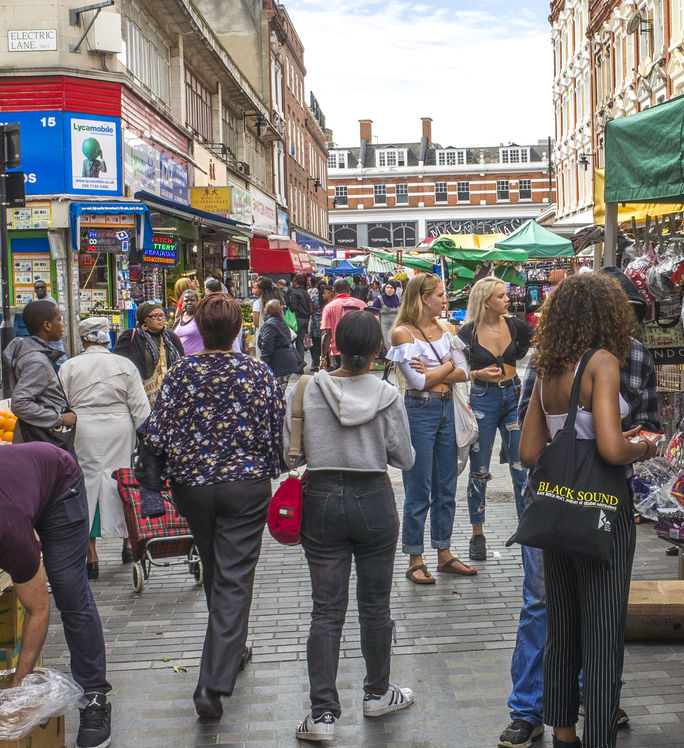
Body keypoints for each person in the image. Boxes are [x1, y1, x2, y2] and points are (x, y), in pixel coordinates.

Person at [501, 271, 660, 748]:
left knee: (562, 626)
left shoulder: (548, 366)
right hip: (601, 513)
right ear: (608, 315)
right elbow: (612, 449)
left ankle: (563, 734)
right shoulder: (603, 363)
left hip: (556, 514)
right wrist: (645, 447)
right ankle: (598, 740)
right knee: (604, 631)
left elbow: (529, 452)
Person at [143, 294, 285, 720]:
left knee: (215, 567)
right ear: (238, 329)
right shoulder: (257, 372)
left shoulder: (182, 373)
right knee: (234, 576)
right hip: (245, 485)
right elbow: (275, 428)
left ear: (199, 330)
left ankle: (230, 649)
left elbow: (158, 431)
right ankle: (212, 681)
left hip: (194, 487)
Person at [285, 311, 416, 740]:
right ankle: (377, 694)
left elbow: (293, 453)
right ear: (379, 350)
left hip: (321, 497)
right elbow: (404, 458)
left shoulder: (306, 388)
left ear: (333, 344)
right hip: (374, 499)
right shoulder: (387, 394)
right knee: (375, 605)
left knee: (326, 609)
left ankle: (322, 714)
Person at [0, 442, 113, 748]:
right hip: (20, 482)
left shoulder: (8, 532)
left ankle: (94, 697)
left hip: (60, 483)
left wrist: (16, 692)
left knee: (68, 589)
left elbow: (38, 609)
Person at [387, 273, 476, 585]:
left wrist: (441, 371)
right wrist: (449, 367)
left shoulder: (446, 329)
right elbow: (419, 381)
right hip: (420, 410)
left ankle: (443, 553)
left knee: (446, 486)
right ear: (424, 298)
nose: (444, 299)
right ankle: (415, 558)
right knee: (419, 487)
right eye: (439, 294)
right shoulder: (402, 334)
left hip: (445, 407)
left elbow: (466, 372)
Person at [58, 317, 150, 579]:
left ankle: (91, 556)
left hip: (83, 428)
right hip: (119, 428)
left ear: (84, 339)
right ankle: (129, 544)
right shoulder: (124, 364)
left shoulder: (69, 366)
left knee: (85, 485)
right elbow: (141, 409)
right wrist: (147, 439)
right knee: (120, 480)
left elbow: (61, 403)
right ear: (107, 338)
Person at [457, 277, 533, 562]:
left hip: (514, 395)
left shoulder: (515, 326)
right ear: (486, 301)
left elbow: (534, 342)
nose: (508, 300)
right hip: (482, 399)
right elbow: (456, 368)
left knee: (520, 466)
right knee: (479, 469)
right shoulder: (468, 333)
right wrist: (476, 374)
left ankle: (526, 529)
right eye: (501, 296)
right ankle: (477, 534)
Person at [3, 300, 76, 445]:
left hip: (39, 437)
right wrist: (59, 418)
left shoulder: (35, 354)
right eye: (59, 320)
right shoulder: (37, 361)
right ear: (47, 325)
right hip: (43, 440)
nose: (62, 325)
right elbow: (20, 403)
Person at [112, 302, 184, 406]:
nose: (160, 319)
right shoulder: (131, 337)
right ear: (144, 319)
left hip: (170, 397)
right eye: (155, 316)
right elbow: (118, 363)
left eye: (162, 315)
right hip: (140, 398)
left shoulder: (171, 338)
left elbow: (181, 361)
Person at [321, 278, 366, 370]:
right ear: (349, 290)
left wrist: (323, 356)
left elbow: (327, 334)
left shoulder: (329, 307)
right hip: (361, 349)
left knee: (342, 379)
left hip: (339, 350)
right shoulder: (362, 304)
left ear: (333, 291)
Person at [257, 298, 299, 390]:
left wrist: (262, 365)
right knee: (279, 392)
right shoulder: (281, 322)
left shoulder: (269, 325)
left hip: (279, 364)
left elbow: (267, 347)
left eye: (265, 308)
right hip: (287, 362)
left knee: (276, 392)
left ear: (268, 311)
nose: (264, 309)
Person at [287, 273, 313, 371]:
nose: (292, 283)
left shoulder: (294, 293)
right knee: (300, 343)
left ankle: (300, 362)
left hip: (296, 320)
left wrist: (288, 303)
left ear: (296, 282)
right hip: (305, 320)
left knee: (288, 342)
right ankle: (299, 365)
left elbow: (293, 307)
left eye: (293, 281)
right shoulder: (306, 293)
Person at [371, 281, 401, 351]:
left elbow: (402, 309)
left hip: (396, 325)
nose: (389, 290)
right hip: (385, 326)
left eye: (391, 288)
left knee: (398, 343)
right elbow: (373, 312)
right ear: (384, 288)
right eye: (387, 287)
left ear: (395, 289)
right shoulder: (379, 299)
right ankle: (391, 360)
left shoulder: (397, 298)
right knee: (389, 345)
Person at [173, 289, 203, 356]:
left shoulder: (202, 318)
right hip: (182, 360)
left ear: (197, 302)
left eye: (192, 300)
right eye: (186, 301)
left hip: (199, 360)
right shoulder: (178, 320)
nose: (189, 302)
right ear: (182, 304)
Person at [308, 277, 325, 372]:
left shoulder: (314, 297)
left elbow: (311, 310)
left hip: (315, 322)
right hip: (325, 322)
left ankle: (315, 363)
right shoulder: (328, 297)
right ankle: (325, 362)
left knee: (315, 344)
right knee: (325, 342)